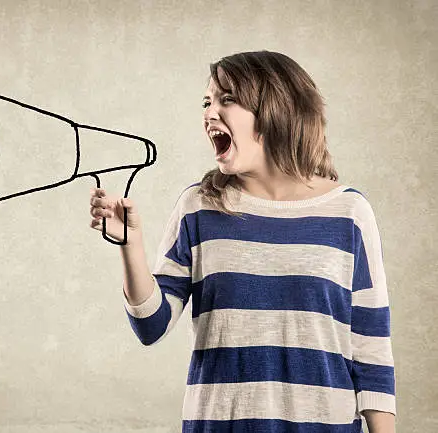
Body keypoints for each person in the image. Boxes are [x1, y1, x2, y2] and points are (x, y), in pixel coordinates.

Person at [89, 51, 396, 433]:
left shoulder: (349, 212)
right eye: (207, 101)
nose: (209, 112)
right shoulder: (197, 208)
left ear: (275, 110)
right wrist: (129, 243)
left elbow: (371, 352)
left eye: (227, 99)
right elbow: (151, 326)